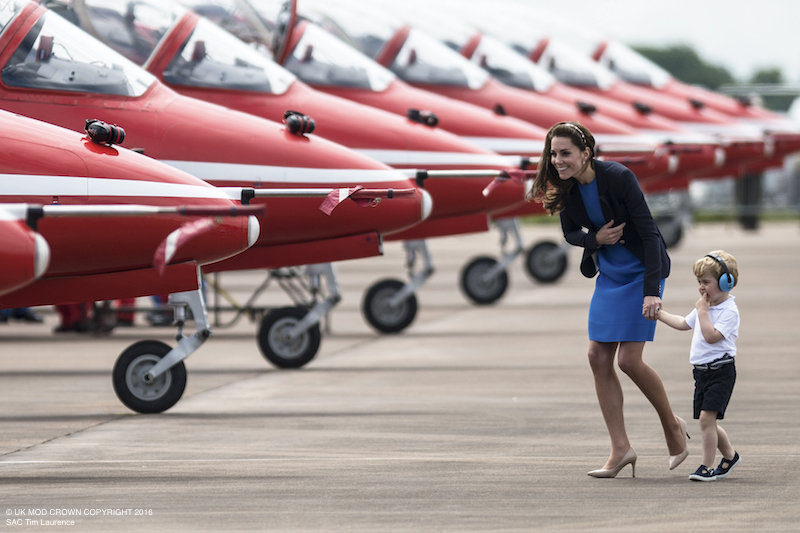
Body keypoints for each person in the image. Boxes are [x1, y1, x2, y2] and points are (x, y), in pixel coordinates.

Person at [530, 121, 688, 478]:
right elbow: (570, 232)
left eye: (565, 153)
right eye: (553, 154)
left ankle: (672, 426)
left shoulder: (618, 177)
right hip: (610, 274)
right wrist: (595, 240)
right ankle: (621, 449)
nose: (557, 160)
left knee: (629, 360)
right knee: (597, 356)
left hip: (641, 272)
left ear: (586, 153)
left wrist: (652, 290)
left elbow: (648, 232)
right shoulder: (567, 187)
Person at [656, 251, 741, 482]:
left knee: (706, 419)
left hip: (721, 371)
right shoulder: (705, 306)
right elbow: (684, 323)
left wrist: (703, 312)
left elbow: (712, 336)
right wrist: (660, 314)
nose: (701, 288)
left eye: (706, 282)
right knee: (707, 421)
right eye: (699, 283)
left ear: (726, 282)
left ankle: (706, 466)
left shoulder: (728, 311)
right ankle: (730, 456)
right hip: (701, 373)